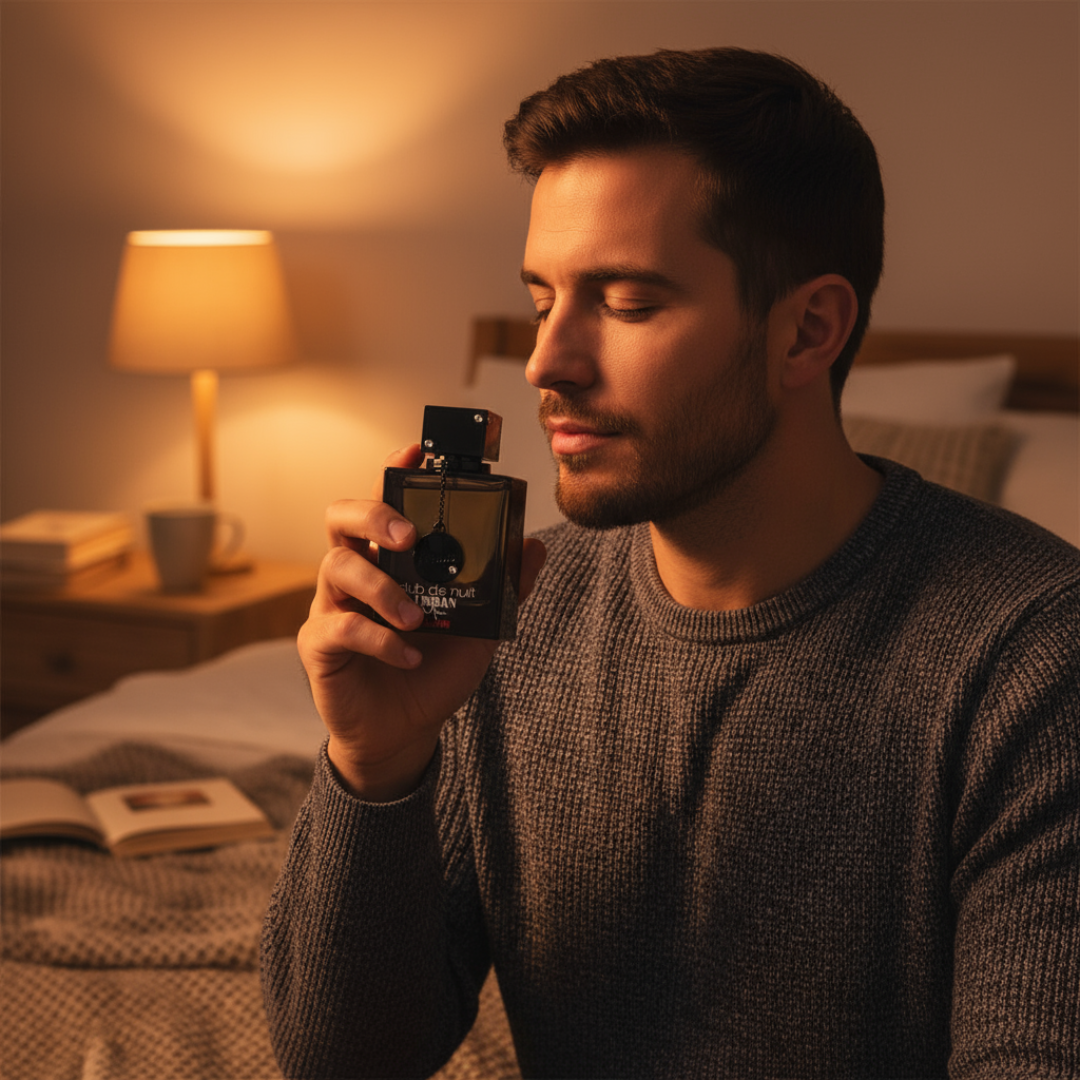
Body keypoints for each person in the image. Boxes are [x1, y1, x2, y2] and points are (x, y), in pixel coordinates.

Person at [261, 47, 1080, 1078]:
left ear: (808, 331)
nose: (546, 363)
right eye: (544, 298)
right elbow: (345, 1062)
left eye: (628, 303)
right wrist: (376, 770)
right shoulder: (513, 613)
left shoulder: (1034, 655)